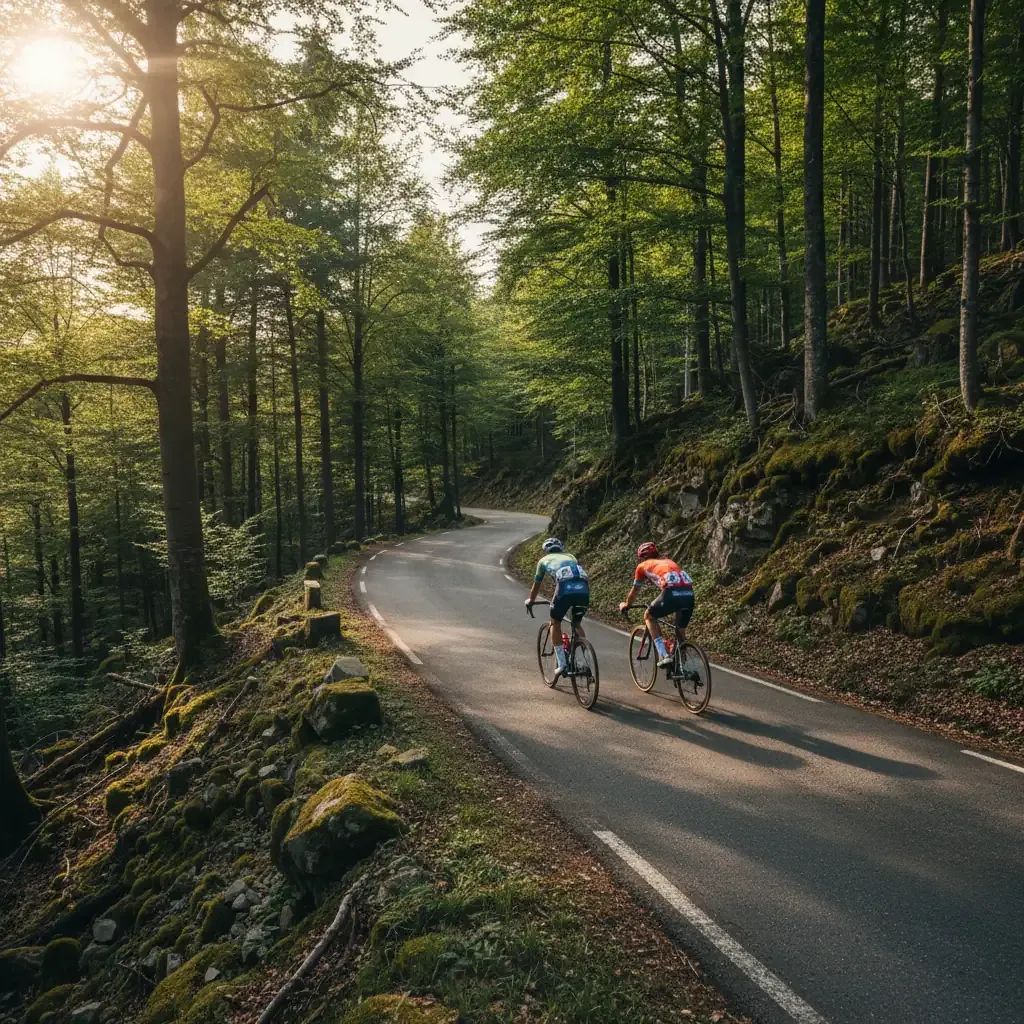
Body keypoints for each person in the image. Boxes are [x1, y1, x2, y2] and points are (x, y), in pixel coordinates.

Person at [619, 541, 694, 668]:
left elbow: (635, 590)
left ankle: (663, 655)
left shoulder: (642, 566)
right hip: (689, 594)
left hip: (671, 593)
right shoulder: (668, 562)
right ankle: (684, 666)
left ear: (642, 558)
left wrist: (627, 604)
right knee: (680, 632)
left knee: (649, 615)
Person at [525, 537, 590, 678]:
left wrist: (531, 601)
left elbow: (536, 585)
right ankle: (586, 659)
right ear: (561, 549)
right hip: (584, 589)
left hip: (564, 589)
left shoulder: (543, 561)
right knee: (576, 623)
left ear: (546, 551)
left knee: (555, 622)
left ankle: (562, 663)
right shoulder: (571, 556)